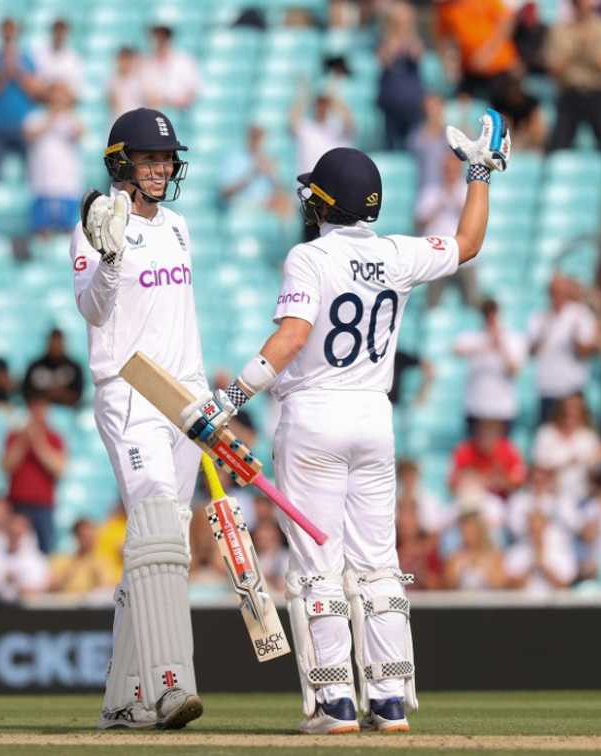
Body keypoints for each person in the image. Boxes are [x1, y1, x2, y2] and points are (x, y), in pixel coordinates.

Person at [188, 110, 511, 733]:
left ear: (325, 201)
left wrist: (229, 400)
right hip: (373, 417)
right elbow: (468, 244)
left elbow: (291, 338)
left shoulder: (310, 258)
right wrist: (478, 171)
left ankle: (335, 704)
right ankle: (389, 701)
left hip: (314, 417)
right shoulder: (397, 253)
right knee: (378, 563)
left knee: (317, 566)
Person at [71, 108, 205, 729]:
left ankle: (122, 699)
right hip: (128, 393)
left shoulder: (177, 226)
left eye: (167, 158)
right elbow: (93, 310)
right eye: (151, 158)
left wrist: (205, 403)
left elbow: (184, 325)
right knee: (153, 527)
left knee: (164, 546)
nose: (161, 168)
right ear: (122, 160)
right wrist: (111, 259)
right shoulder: (98, 221)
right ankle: (172, 684)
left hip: (181, 401)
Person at [545, 0, 601, 184]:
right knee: (557, 146)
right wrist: (582, 51)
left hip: (599, 94)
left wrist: (577, 53)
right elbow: (555, 67)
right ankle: (553, 184)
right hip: (571, 94)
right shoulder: (560, 30)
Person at [1, 393, 66, 554]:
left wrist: (38, 442)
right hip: (17, 503)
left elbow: (58, 468)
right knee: (14, 549)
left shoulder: (54, 438)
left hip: (43, 505)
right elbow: (6, 466)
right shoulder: (14, 436)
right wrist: (23, 441)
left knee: (45, 550)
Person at [528, 275, 598, 422]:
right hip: (548, 387)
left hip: (572, 388)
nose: (558, 297)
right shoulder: (539, 317)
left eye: (561, 292)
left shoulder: (581, 314)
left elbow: (585, 352)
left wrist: (576, 337)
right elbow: (531, 352)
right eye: (554, 292)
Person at [0, 18, 41, 180]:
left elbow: (36, 93)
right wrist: (2, 77)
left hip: (24, 127)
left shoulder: (27, 61)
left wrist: (18, 73)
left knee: (30, 175)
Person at [453, 299, 526, 431]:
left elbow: (514, 371)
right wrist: (486, 342)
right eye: (487, 313)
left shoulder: (513, 339)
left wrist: (501, 346)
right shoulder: (472, 336)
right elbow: (456, 351)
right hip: (476, 407)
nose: (491, 318)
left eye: (494, 313)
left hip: (503, 409)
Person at [23, 81, 85, 235]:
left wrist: (66, 112)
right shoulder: (34, 116)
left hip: (68, 186)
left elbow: (80, 133)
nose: (57, 99)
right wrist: (52, 116)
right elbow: (29, 135)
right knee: (41, 232)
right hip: (42, 184)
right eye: (54, 95)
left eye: (61, 96)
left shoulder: (72, 118)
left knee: (70, 232)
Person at [417, 155, 477, 307]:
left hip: (464, 256)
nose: (450, 173)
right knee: (432, 304)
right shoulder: (432, 191)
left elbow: (473, 217)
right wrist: (439, 203)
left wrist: (454, 199)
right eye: (447, 169)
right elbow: (420, 222)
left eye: (453, 169)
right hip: (437, 257)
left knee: (472, 302)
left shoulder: (466, 190)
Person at [434, 0, 520, 99]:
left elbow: (506, 21)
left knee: (499, 110)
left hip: (498, 68)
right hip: (469, 70)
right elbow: (444, 40)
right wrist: (450, 65)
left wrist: (488, 53)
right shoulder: (445, 8)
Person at [531, 393, 601, 505]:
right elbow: (538, 467)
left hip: (580, 497)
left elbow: (595, 472)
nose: (571, 412)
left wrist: (597, 461)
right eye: (568, 408)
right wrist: (567, 462)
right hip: (549, 497)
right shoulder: (546, 433)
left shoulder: (589, 437)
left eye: (576, 408)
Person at [0, 512, 49, 603]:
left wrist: (15, 588)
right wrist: (2, 588)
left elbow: (43, 587)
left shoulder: (36, 559)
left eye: (19, 533)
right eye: (11, 532)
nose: (14, 537)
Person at [376, 2, 425, 150]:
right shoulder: (383, 41)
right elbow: (386, 60)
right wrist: (395, 38)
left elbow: (417, 54)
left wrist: (407, 37)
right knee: (391, 146)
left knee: (413, 146)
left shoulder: (415, 40)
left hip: (413, 105)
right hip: (391, 106)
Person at [219, 125, 294, 219]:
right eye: (254, 136)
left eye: (259, 137)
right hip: (242, 203)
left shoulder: (267, 158)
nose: (256, 141)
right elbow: (225, 193)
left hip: (264, 204)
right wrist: (253, 173)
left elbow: (282, 190)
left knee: (285, 202)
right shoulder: (233, 157)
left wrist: (272, 174)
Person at [450, 418, 527, 499]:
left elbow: (519, 480)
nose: (486, 434)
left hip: (503, 502)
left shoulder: (509, 449)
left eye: (491, 431)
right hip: (473, 499)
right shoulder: (464, 450)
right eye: (483, 431)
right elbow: (452, 484)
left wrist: (500, 481)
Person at [49, 518, 121, 595]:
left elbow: (109, 588)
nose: (89, 540)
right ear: (76, 537)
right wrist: (70, 571)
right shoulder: (63, 560)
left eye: (91, 536)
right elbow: (51, 587)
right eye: (85, 536)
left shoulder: (104, 560)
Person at [291, 92, 354, 178]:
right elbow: (293, 120)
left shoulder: (336, 127)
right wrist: (304, 96)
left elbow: (349, 123)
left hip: (332, 183)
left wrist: (335, 99)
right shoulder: (306, 127)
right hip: (309, 184)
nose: (322, 108)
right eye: (319, 105)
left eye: (325, 105)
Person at [138, 25, 200, 112]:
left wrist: (177, 101)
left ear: (169, 39)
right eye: (157, 37)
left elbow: (193, 90)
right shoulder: (144, 64)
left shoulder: (185, 61)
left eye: (163, 37)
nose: (160, 41)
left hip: (181, 114)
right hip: (153, 115)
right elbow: (144, 94)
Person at [21, 329, 84, 408]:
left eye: (58, 342)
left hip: (68, 412)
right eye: (53, 341)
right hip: (39, 412)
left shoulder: (74, 367)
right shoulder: (35, 366)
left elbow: (78, 395)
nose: (55, 345)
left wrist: (55, 394)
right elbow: (27, 392)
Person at [33, 18, 84, 97]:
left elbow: (76, 88)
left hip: (65, 103)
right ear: (52, 32)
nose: (59, 35)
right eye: (57, 31)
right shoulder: (39, 55)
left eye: (62, 32)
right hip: (44, 101)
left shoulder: (74, 58)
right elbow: (36, 84)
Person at [107, 47, 144, 120]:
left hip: (137, 121)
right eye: (122, 59)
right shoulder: (113, 80)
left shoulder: (139, 80)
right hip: (119, 120)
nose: (125, 63)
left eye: (128, 59)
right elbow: (113, 103)